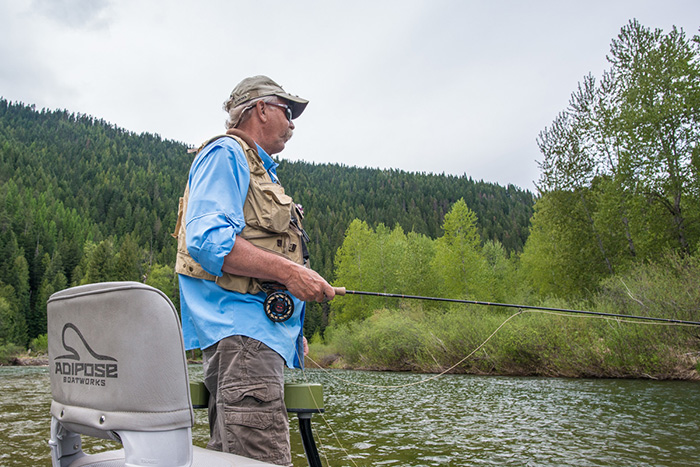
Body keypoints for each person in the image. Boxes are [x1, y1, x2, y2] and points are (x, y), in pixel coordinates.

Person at [174, 75, 335, 466]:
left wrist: (289, 330)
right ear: (261, 108)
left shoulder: (258, 169)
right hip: (244, 342)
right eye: (287, 110)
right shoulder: (226, 153)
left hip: (251, 343)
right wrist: (291, 274)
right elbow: (208, 239)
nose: (293, 122)